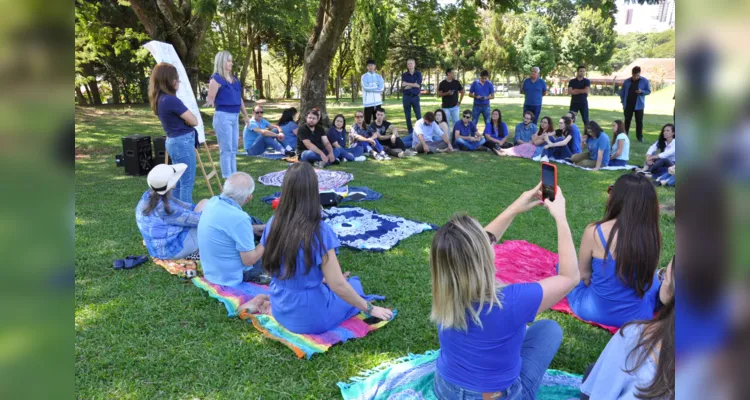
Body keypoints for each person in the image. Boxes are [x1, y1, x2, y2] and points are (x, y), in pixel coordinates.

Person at [431, 183, 580, 400]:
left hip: (445, 389)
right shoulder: (511, 301)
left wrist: (514, 209)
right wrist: (561, 218)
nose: (491, 239)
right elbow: (570, 277)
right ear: (484, 256)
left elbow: (471, 248)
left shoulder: (445, 286)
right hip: (496, 396)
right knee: (549, 329)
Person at [260, 162, 394, 334]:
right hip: (310, 317)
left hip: (281, 307)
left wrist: (319, 280)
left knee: (341, 285)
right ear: (313, 191)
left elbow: (282, 266)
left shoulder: (273, 222)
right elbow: (337, 284)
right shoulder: (319, 230)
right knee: (353, 284)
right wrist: (370, 309)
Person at [567, 173, 663, 328]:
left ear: (617, 198)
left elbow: (584, 275)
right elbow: (648, 277)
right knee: (656, 282)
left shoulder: (595, 231)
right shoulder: (653, 235)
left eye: (611, 190)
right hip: (638, 315)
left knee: (564, 267)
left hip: (594, 310)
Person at [580, 256, 674, 400]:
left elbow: (599, 395)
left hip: (601, 310)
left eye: (664, 276)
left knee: (592, 373)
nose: (661, 281)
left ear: (672, 291)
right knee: (592, 369)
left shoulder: (636, 335)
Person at [197, 172, 269, 286]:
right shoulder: (240, 219)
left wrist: (262, 229)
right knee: (275, 258)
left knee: (253, 221)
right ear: (248, 198)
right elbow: (249, 260)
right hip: (232, 276)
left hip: (212, 271)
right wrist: (267, 238)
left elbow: (229, 228)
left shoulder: (212, 201)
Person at [148, 62, 199, 203]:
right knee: (187, 183)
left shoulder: (160, 99)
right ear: (168, 80)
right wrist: (187, 121)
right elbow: (194, 121)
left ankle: (174, 211)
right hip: (182, 142)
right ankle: (185, 215)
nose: (179, 81)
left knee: (179, 181)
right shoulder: (171, 100)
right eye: (176, 78)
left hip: (174, 142)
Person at [136, 164, 208, 260]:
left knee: (205, 203)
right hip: (171, 251)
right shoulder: (167, 209)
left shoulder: (148, 196)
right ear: (172, 183)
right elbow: (200, 221)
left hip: (155, 249)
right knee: (209, 224)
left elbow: (185, 206)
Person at [206, 51, 251, 179]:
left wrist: (246, 115)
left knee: (234, 149)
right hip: (223, 116)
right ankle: (228, 177)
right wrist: (209, 101)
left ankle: (234, 175)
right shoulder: (216, 79)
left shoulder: (235, 79)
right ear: (221, 62)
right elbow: (211, 99)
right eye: (228, 61)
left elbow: (239, 98)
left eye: (231, 61)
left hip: (235, 116)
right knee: (226, 149)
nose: (231, 63)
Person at [620, 66, 651, 143]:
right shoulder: (627, 81)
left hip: (639, 105)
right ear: (632, 74)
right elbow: (622, 92)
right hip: (628, 104)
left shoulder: (645, 81)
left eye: (637, 75)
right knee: (627, 121)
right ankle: (625, 135)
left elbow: (648, 91)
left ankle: (639, 137)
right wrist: (622, 102)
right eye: (634, 75)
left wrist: (642, 91)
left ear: (639, 74)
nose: (636, 77)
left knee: (639, 121)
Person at [401, 58, 422, 135]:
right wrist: (413, 84)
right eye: (408, 64)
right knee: (407, 116)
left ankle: (420, 131)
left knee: (418, 115)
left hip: (415, 97)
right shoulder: (404, 75)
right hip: (406, 97)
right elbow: (404, 86)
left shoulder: (418, 74)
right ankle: (410, 132)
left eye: (411, 63)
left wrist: (407, 83)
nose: (410, 65)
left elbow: (418, 85)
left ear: (414, 64)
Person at [361, 59, 384, 125]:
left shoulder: (379, 77)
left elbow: (381, 88)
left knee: (378, 120)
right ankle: (366, 134)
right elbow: (365, 88)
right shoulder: (364, 77)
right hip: (368, 102)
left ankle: (378, 134)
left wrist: (371, 87)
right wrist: (376, 86)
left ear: (375, 66)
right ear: (367, 67)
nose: (370, 67)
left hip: (377, 102)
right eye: (369, 65)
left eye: (372, 65)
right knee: (367, 121)